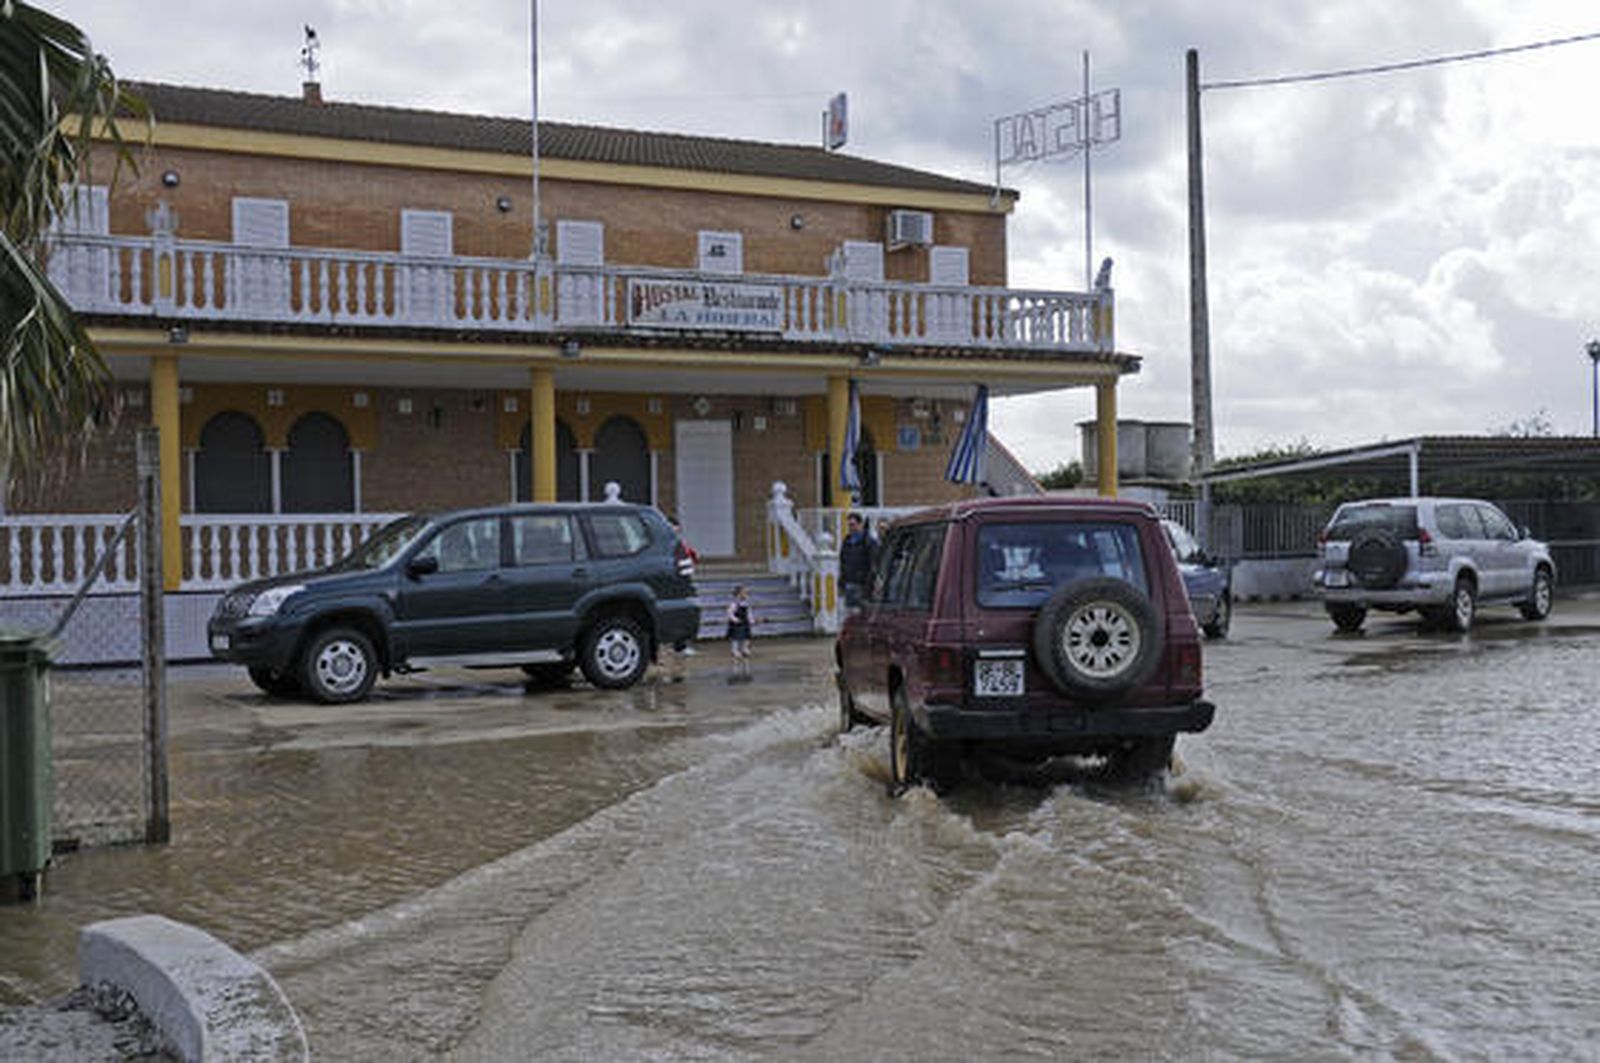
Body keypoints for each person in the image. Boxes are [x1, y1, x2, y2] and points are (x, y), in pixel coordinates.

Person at [667, 516, 699, 679]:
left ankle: (680, 645)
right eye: (672, 528)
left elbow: (691, 560)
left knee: (682, 616)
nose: (675, 531)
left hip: (683, 584)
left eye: (677, 528)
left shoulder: (680, 544)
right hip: (670, 584)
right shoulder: (664, 544)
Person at [839, 512, 878, 609]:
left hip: (863, 584)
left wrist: (870, 582)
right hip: (849, 582)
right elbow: (843, 561)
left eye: (853, 525)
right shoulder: (846, 541)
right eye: (849, 525)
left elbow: (873, 562)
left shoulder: (868, 542)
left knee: (863, 611)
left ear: (860, 524)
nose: (851, 528)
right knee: (851, 610)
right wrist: (842, 580)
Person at [724, 584, 756, 676]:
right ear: (738, 594)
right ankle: (735, 650)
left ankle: (745, 649)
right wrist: (734, 619)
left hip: (745, 622)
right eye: (743, 593)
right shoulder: (734, 603)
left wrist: (751, 620)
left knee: (746, 637)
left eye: (745, 593)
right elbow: (730, 612)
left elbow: (749, 612)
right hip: (737, 622)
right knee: (736, 637)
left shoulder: (746, 603)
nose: (745, 594)